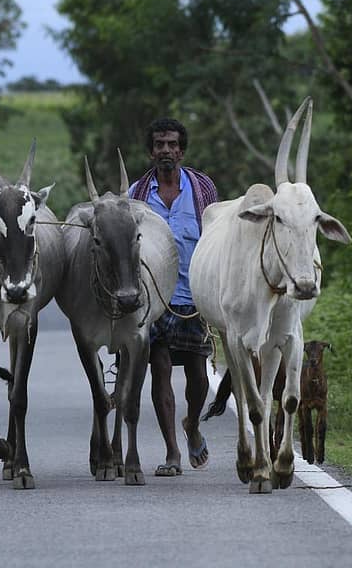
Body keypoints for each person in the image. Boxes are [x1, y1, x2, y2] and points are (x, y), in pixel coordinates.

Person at [128, 117, 218, 476]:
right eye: (159, 144)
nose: (166, 150)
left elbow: (215, 237)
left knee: (197, 374)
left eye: (172, 144)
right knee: (160, 368)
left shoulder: (202, 189)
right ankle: (171, 453)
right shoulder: (136, 195)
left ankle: (192, 424)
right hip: (153, 299)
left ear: (182, 150)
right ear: (151, 151)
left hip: (193, 295)